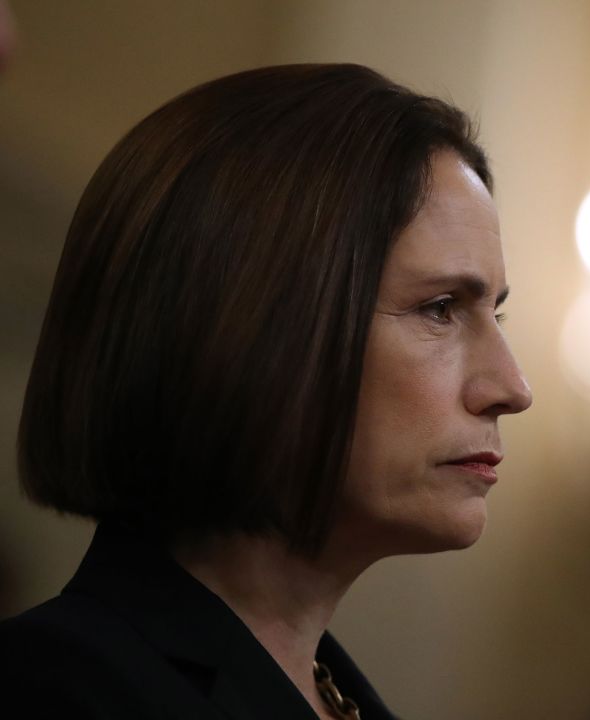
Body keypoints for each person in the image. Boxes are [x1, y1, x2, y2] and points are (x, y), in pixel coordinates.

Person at [0, 63, 533, 719]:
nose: (510, 388)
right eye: (441, 307)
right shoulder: (55, 695)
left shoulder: (337, 699)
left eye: (496, 315)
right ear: (247, 325)